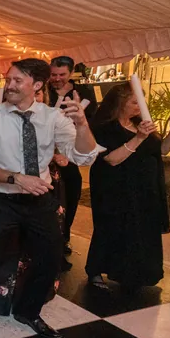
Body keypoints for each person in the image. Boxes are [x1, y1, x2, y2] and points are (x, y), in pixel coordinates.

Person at [0, 58, 100, 338]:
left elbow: (84, 156)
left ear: (37, 85)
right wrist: (17, 178)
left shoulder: (52, 118)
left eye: (17, 80)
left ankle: (29, 311)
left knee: (50, 259)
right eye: (8, 80)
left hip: (39, 200)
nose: (9, 85)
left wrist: (82, 124)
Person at [85, 83, 170, 291]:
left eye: (141, 102)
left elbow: (162, 150)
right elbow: (111, 159)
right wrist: (139, 138)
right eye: (134, 102)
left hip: (144, 189)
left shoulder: (141, 123)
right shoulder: (105, 128)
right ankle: (97, 269)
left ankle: (135, 273)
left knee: (140, 231)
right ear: (120, 103)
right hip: (116, 189)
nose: (140, 106)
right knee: (112, 229)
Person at [48, 55, 98, 260]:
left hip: (70, 154)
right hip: (46, 156)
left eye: (62, 74)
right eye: (53, 74)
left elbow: (90, 124)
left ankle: (65, 236)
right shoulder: (44, 91)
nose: (57, 79)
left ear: (71, 73)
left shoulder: (84, 93)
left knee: (70, 196)